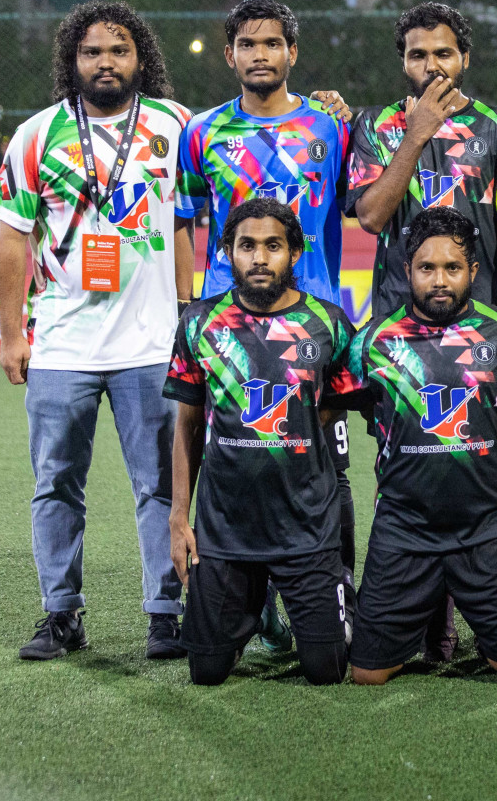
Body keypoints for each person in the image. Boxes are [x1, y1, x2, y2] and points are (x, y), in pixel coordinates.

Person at [0, 1, 190, 661]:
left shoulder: (176, 126)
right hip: (62, 345)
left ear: (141, 59)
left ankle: (166, 611)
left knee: (159, 485)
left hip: (152, 344)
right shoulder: (37, 135)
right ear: (72, 61)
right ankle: (61, 613)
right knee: (55, 484)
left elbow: (188, 221)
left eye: (119, 50)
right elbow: (12, 241)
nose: (105, 62)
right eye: (91, 52)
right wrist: (13, 334)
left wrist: (188, 311)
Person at [175, 0, 358, 654]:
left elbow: (363, 205)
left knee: (325, 470)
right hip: (230, 332)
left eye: (272, 43)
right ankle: (246, 604)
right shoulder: (201, 132)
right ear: (230, 56)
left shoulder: (333, 128)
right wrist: (186, 305)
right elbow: (182, 219)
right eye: (248, 44)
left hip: (315, 327)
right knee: (238, 465)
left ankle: (328, 603)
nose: (260, 54)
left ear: (292, 53)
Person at [344, 208, 497, 685]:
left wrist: (486, 420)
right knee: (367, 675)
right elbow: (353, 406)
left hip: (487, 528)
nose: (439, 280)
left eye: (452, 269)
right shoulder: (372, 342)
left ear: (472, 272)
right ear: (406, 270)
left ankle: (456, 619)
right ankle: (421, 620)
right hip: (404, 529)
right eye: (426, 268)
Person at [165, 197, 359, 685]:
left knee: (327, 669)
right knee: (206, 671)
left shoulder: (329, 322)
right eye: (246, 245)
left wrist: (297, 422)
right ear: (227, 251)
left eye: (273, 246)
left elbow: (338, 402)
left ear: (294, 252)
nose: (258, 258)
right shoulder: (199, 325)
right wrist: (177, 518)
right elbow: (187, 426)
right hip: (226, 531)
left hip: (305, 531)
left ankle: (325, 603)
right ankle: (254, 611)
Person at [348, 1, 497, 318]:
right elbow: (371, 218)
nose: (432, 65)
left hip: (479, 313)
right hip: (397, 316)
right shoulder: (374, 125)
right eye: (418, 55)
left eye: (443, 54)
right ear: (404, 62)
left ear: (465, 59)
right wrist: (416, 135)